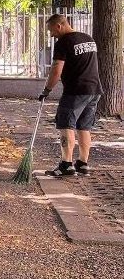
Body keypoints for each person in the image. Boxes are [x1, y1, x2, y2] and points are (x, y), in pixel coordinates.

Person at [39, 14, 101, 176]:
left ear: (59, 26)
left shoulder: (64, 42)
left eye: (51, 30)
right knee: (84, 126)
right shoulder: (88, 39)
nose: (51, 34)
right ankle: (82, 163)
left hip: (75, 91)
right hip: (94, 90)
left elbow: (56, 69)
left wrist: (46, 90)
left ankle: (66, 164)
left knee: (66, 124)